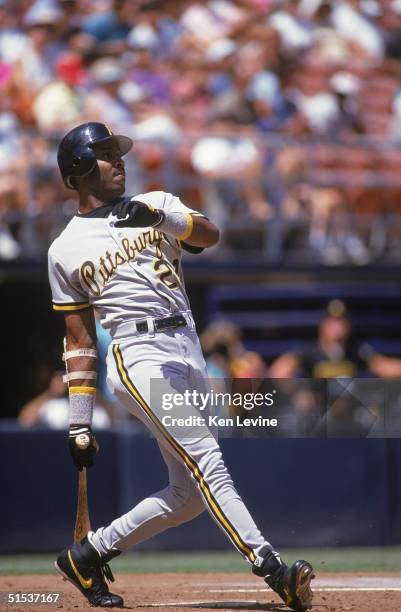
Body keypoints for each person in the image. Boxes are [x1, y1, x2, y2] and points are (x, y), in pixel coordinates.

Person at [48, 122, 314, 610]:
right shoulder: (63, 248)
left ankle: (89, 554)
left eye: (116, 152)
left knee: (188, 494)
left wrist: (160, 217)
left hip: (188, 344)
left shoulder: (157, 202)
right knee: (209, 459)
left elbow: (209, 234)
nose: (119, 160)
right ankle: (271, 567)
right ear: (79, 170)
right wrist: (79, 422)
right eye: (105, 154)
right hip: (138, 353)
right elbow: (80, 340)